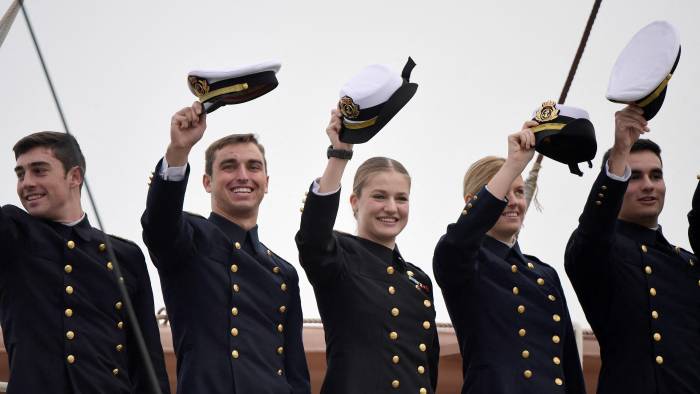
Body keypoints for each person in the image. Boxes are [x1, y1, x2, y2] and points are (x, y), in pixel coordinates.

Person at [141, 102, 310, 394]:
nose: (243, 175)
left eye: (253, 167)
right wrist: (178, 150)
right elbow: (159, 223)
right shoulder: (189, 238)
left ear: (266, 183)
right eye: (229, 167)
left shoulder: (283, 272)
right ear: (207, 182)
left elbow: (296, 373)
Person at [0, 131, 170, 393]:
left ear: (75, 177)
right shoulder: (12, 233)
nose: (26, 183)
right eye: (21, 174)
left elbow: (146, 359)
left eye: (39, 171)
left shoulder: (125, 255)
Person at [434, 123, 586, 394]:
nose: (514, 201)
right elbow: (460, 240)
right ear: (473, 202)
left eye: (519, 192)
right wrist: (514, 164)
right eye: (504, 193)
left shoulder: (544, 274)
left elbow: (570, 368)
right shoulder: (463, 261)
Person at [295, 109, 439, 394]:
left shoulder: (419, 281)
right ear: (354, 202)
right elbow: (313, 238)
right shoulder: (339, 256)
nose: (391, 207)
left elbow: (426, 370)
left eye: (401, 198)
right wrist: (339, 154)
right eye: (379, 196)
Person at [565, 105, 700, 393]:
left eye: (656, 175)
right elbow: (593, 234)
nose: (649, 185)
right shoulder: (600, 252)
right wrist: (620, 151)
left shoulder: (687, 265)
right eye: (634, 177)